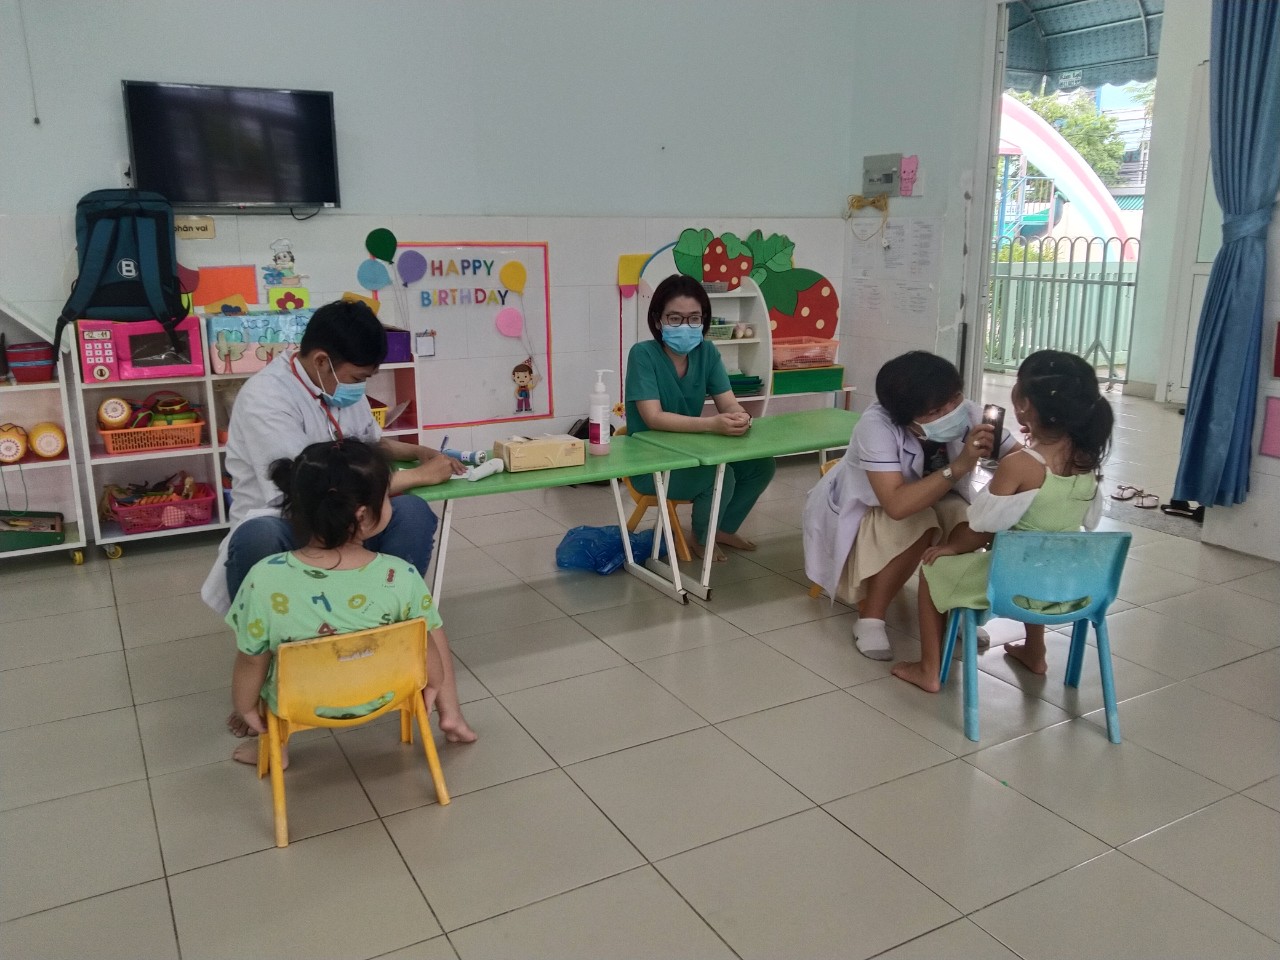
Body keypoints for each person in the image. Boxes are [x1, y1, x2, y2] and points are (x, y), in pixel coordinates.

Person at [201, 298, 463, 735]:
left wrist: (420, 452)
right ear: (323, 361)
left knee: (413, 514)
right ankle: (265, 681)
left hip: (345, 516)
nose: (360, 388)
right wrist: (421, 475)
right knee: (259, 538)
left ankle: (386, 640)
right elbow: (313, 490)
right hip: (289, 516)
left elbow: (368, 444)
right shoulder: (266, 398)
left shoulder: (334, 385)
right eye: (359, 378)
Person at [228, 439, 476, 765]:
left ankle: (275, 747)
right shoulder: (400, 575)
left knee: (269, 652)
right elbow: (426, 642)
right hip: (386, 694)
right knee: (430, 624)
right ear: (363, 515)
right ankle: (451, 715)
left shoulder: (264, 578)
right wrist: (434, 682)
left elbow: (251, 660)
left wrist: (245, 706)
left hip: (300, 703)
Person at [891, 350, 1113, 692]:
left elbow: (982, 528)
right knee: (1039, 550)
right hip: (1071, 584)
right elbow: (1090, 520)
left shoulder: (1020, 465)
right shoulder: (1086, 460)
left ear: (1024, 406)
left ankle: (929, 669)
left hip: (1014, 585)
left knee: (933, 571)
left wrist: (951, 547)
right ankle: (1035, 651)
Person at [803, 351, 1019, 660]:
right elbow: (896, 504)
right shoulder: (875, 426)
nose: (951, 412)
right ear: (905, 418)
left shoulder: (969, 413)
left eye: (954, 400)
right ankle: (871, 618)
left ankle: (957, 607)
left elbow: (1019, 457)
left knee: (970, 521)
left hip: (935, 497)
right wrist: (959, 465)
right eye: (936, 411)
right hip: (874, 507)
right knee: (917, 522)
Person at [625, 274, 775, 559]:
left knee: (760, 466)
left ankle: (723, 529)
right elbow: (653, 417)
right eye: (675, 318)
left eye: (694, 318)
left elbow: (728, 403)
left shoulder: (707, 352)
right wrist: (711, 424)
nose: (685, 326)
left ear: (704, 320)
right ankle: (702, 538)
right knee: (720, 475)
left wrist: (740, 417)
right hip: (649, 462)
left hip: (693, 452)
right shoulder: (642, 355)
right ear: (658, 320)